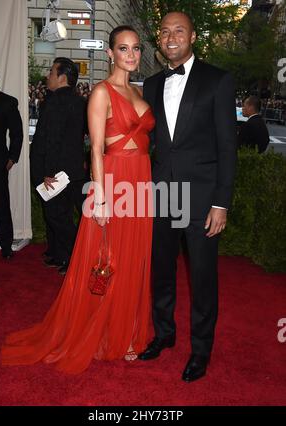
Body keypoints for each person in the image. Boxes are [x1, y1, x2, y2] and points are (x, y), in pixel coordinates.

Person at [2, 26, 155, 373]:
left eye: (135, 49)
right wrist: (100, 196)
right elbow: (97, 149)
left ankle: (127, 331)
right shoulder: (101, 92)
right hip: (114, 181)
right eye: (123, 48)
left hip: (141, 181)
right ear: (110, 53)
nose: (130, 55)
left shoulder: (137, 91)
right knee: (107, 254)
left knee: (134, 256)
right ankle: (99, 330)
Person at [138, 12, 237, 383]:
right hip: (163, 193)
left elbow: (228, 146)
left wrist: (221, 202)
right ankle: (164, 334)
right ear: (159, 40)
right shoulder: (150, 84)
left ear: (193, 36)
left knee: (202, 278)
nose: (170, 36)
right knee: (161, 271)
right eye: (164, 31)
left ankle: (200, 351)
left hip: (201, 198)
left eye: (178, 30)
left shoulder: (218, 80)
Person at [30, 58, 87, 275]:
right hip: (73, 169)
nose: (47, 75)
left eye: (52, 72)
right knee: (59, 214)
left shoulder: (54, 102)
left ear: (62, 77)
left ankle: (74, 258)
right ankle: (57, 253)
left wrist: (48, 172)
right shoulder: (80, 102)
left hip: (56, 172)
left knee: (57, 215)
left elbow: (52, 139)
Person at [0, 61, 23, 259]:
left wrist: (12, 158)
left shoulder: (7, 102)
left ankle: (6, 247)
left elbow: (17, 133)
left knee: (1, 206)